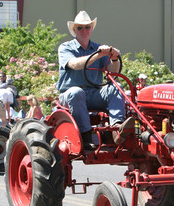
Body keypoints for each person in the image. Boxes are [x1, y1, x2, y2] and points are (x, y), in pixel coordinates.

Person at [57, 10, 133, 150]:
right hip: (69, 94)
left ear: (91, 29)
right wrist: (98, 55)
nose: (84, 30)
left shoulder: (97, 48)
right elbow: (74, 64)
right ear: (74, 30)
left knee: (116, 87)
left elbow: (113, 72)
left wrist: (114, 57)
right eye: (80, 27)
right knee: (76, 92)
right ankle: (86, 136)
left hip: (94, 93)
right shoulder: (66, 47)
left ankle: (117, 129)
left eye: (87, 27)